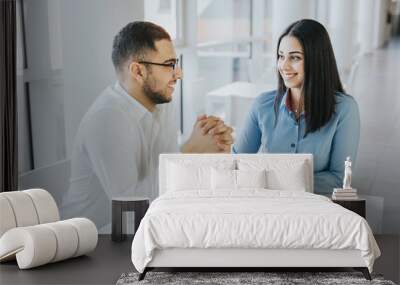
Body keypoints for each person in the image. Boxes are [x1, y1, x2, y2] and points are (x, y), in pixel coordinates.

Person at [61, 21, 233, 231]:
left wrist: (211, 148)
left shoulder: (161, 104)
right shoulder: (107, 119)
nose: (178, 74)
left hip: (144, 227)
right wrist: (191, 152)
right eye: (169, 65)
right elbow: (129, 213)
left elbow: (166, 187)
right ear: (138, 71)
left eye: (175, 63)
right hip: (94, 239)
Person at [233, 19, 360, 194]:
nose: (284, 66)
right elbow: (236, 163)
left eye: (295, 57)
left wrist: (271, 182)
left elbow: (339, 179)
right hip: (266, 207)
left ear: (317, 60)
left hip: (316, 211)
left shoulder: (345, 109)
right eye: (281, 56)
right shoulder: (262, 106)